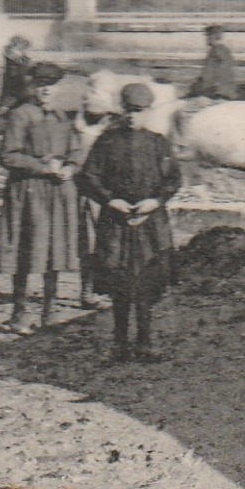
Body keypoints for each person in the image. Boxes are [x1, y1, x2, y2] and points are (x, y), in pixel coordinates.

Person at [79, 83, 183, 362]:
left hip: (151, 223)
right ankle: (120, 342)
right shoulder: (107, 141)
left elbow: (173, 178)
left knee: (148, 281)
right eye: (128, 111)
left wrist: (156, 201)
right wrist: (111, 200)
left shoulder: (158, 143)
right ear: (120, 111)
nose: (132, 117)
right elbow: (88, 177)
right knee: (119, 281)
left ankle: (146, 341)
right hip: (116, 222)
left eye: (139, 112)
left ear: (148, 112)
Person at [0, 61, 82, 333]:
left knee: (55, 249)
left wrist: (70, 167)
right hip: (29, 191)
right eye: (41, 85)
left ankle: (50, 310)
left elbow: (77, 150)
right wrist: (42, 167)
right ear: (33, 86)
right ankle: (19, 312)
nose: (46, 91)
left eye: (52, 85)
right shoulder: (21, 115)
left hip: (58, 192)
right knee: (26, 249)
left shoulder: (63, 117)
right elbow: (8, 155)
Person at [188, 25, 237, 101]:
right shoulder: (217, 50)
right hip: (214, 92)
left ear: (213, 36)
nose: (206, 39)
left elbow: (220, 72)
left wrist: (216, 88)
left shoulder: (218, 50)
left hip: (217, 94)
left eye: (207, 36)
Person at [0, 36, 33, 115]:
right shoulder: (16, 64)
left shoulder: (17, 66)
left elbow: (16, 89)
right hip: (19, 102)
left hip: (17, 104)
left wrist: (5, 106)